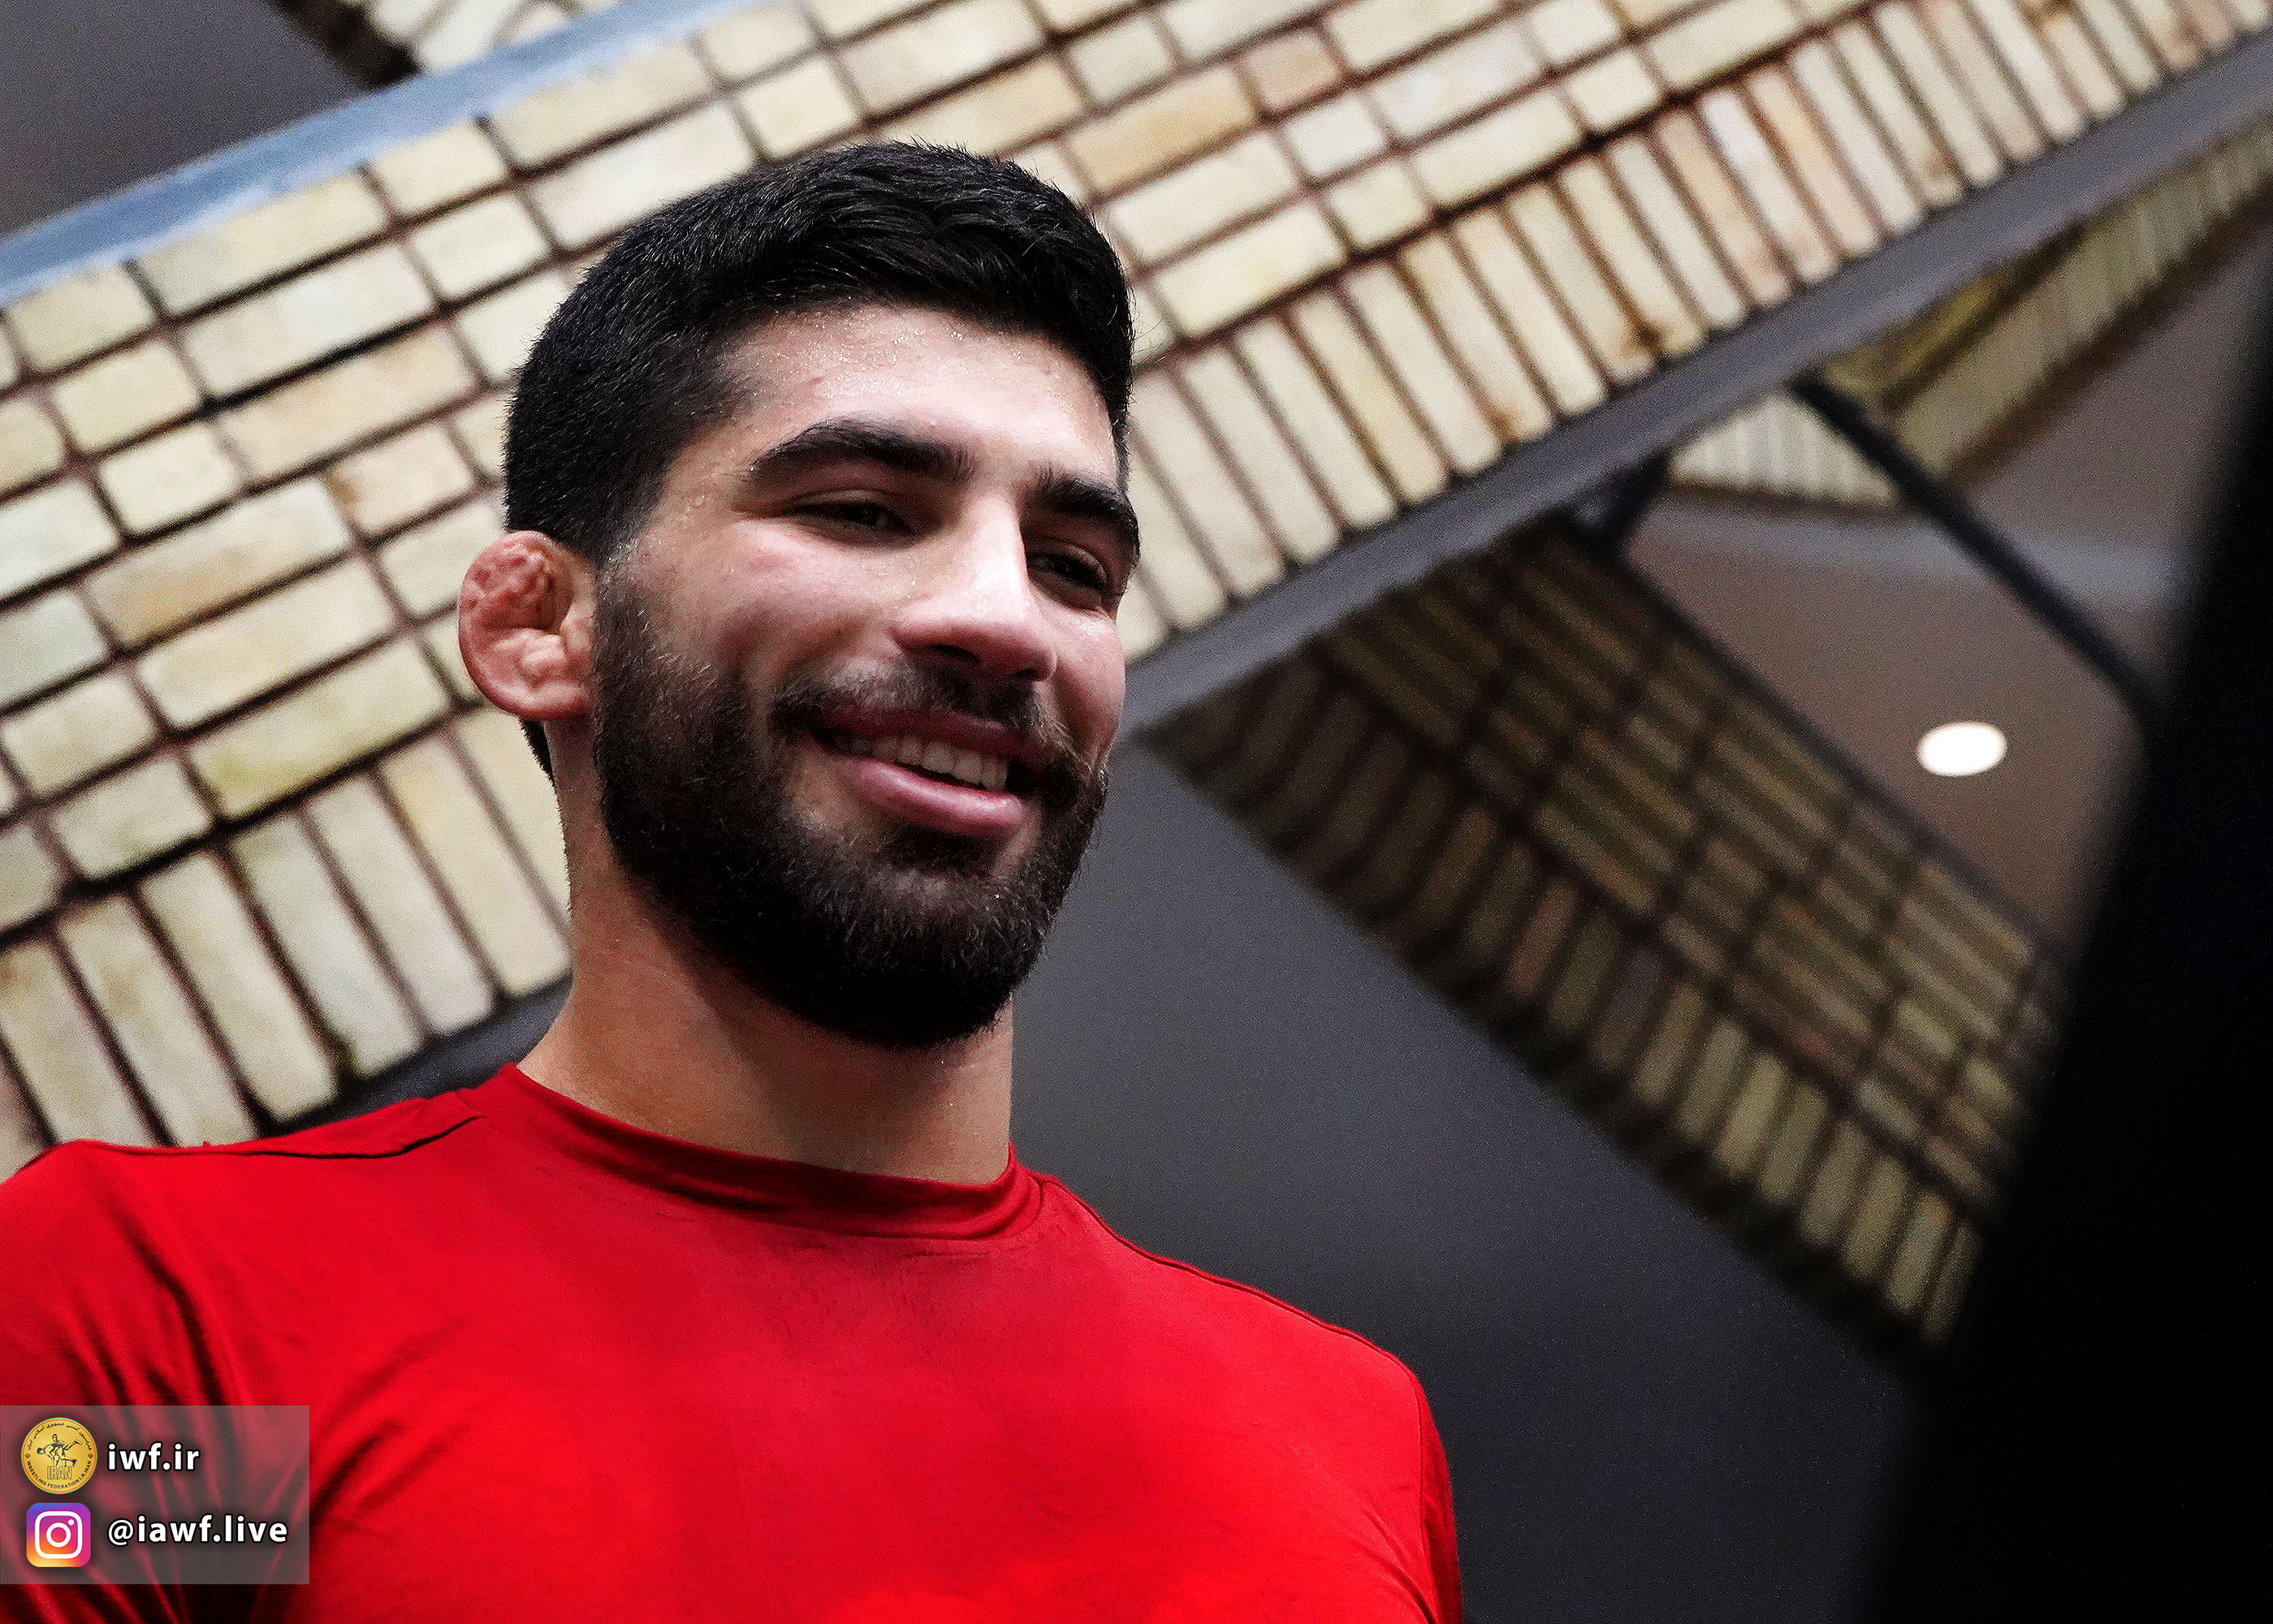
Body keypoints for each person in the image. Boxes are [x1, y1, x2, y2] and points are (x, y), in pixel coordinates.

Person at [0, 144, 1460, 1619]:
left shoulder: (1345, 1435)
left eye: (1073, 566)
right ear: (541, 626)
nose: (1007, 619)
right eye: (862, 509)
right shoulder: (173, 1339)